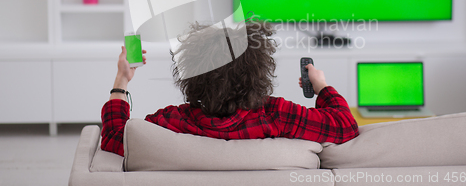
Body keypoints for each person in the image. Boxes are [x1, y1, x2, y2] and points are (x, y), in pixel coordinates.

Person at [101, 20, 359, 156]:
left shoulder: (172, 121)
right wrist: (322, 86)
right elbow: (346, 126)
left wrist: (121, 80)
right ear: (258, 72)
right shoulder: (278, 115)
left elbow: (114, 138)